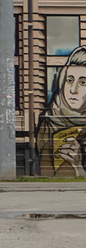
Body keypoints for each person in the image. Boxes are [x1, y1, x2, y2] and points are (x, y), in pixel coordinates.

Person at [38, 45, 86, 176]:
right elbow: (45, 176)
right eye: (69, 80)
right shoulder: (49, 121)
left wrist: (79, 169)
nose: (73, 90)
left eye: (83, 82)